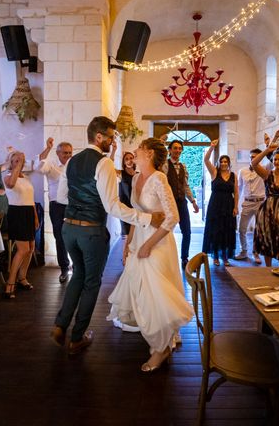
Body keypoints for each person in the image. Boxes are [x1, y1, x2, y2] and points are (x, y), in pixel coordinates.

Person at [50, 116, 164, 355]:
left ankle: (60, 325)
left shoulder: (71, 162)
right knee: (91, 283)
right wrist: (146, 218)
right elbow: (112, 206)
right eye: (110, 136)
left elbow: (62, 197)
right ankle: (77, 337)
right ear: (98, 136)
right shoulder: (103, 164)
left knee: (77, 276)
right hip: (91, 231)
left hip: (68, 228)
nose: (113, 142)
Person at [107, 137, 193, 372]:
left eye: (140, 148)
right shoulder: (135, 178)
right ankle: (159, 338)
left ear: (150, 154)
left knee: (156, 294)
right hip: (139, 240)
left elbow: (173, 217)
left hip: (158, 242)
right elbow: (136, 214)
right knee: (141, 291)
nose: (135, 150)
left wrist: (148, 245)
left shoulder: (159, 179)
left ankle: (161, 348)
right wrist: (129, 243)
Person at [37, 137, 74, 283]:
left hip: (73, 205)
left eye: (70, 152)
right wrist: (48, 148)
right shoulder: (51, 164)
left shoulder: (74, 165)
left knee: (75, 235)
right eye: (65, 153)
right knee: (59, 236)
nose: (68, 155)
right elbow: (40, 166)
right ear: (58, 153)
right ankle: (64, 268)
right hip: (57, 206)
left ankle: (76, 267)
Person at [3, 150, 37, 299]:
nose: (19, 163)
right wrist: (16, 168)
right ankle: (10, 283)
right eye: (16, 160)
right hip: (17, 213)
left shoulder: (27, 178)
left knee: (30, 248)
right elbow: (11, 185)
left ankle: (22, 278)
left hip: (29, 212)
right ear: (10, 162)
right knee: (22, 249)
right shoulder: (7, 177)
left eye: (21, 161)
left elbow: (31, 199)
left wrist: (35, 216)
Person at [162, 140, 199, 267]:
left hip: (182, 202)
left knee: (187, 232)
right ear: (170, 150)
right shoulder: (165, 165)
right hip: (168, 203)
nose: (177, 151)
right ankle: (165, 258)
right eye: (175, 148)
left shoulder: (183, 166)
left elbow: (185, 186)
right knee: (166, 232)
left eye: (179, 149)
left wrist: (193, 201)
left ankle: (184, 258)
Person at [202, 139, 238, 267]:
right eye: (221, 161)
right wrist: (212, 147)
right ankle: (216, 256)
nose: (223, 163)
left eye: (225, 161)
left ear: (228, 163)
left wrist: (235, 207)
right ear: (219, 162)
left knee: (227, 230)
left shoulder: (233, 175)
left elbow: (236, 192)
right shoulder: (214, 172)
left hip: (228, 204)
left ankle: (225, 256)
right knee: (215, 230)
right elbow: (206, 160)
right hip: (215, 205)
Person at [235, 148, 265, 264]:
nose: (254, 159)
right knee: (241, 229)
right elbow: (239, 189)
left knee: (259, 230)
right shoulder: (242, 171)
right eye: (252, 157)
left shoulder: (264, 170)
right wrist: (237, 205)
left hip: (260, 202)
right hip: (247, 202)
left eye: (256, 157)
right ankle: (243, 251)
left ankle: (256, 253)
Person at [118, 151, 136, 238]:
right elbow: (108, 168)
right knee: (127, 237)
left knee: (136, 237)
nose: (129, 161)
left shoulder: (138, 174)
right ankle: (125, 252)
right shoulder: (120, 174)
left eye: (131, 158)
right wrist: (114, 151)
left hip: (137, 210)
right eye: (127, 159)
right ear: (124, 162)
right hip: (125, 210)